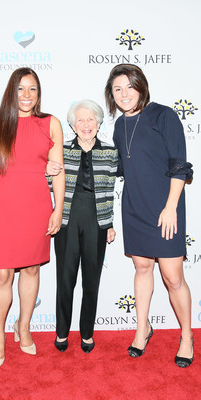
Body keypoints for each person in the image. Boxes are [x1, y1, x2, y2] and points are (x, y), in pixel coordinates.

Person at [105, 64, 193, 368]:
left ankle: (186, 335)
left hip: (165, 207)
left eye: (129, 86)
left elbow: (179, 165)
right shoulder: (118, 126)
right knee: (142, 268)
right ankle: (142, 329)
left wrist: (170, 208)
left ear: (141, 86)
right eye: (117, 89)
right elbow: (118, 167)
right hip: (134, 206)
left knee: (173, 277)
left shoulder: (163, 115)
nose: (124, 94)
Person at [0, 67, 65, 370]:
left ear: (39, 92)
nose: (27, 95)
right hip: (2, 205)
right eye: (20, 89)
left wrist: (58, 208)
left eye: (32, 89)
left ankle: (25, 326)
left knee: (32, 268)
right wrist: (11, 189)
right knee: (2, 274)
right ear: (11, 91)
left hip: (37, 205)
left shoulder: (50, 123)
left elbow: (58, 170)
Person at [53, 99, 118, 353]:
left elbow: (109, 190)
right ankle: (61, 332)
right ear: (72, 124)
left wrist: (109, 223)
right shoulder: (60, 150)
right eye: (80, 119)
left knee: (91, 280)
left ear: (100, 123)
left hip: (96, 220)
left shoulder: (111, 152)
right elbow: (51, 183)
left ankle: (87, 333)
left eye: (91, 119)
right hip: (67, 218)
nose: (86, 124)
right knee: (65, 279)